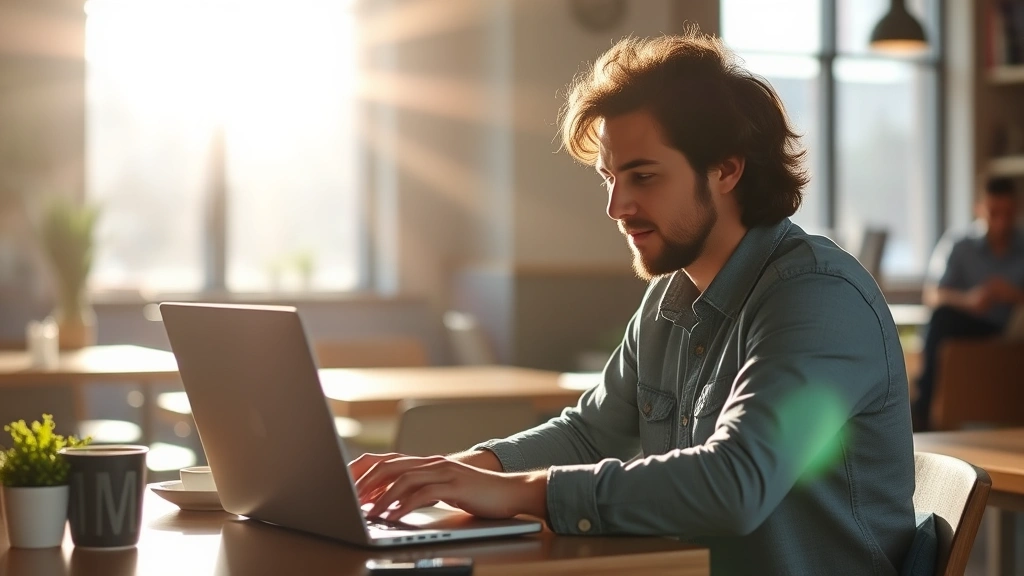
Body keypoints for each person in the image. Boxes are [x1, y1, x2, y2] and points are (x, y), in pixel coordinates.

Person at [351, 29, 917, 575]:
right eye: (608, 178)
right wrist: (459, 470)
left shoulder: (817, 297)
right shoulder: (669, 297)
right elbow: (589, 433)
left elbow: (736, 483)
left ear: (726, 168)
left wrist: (516, 491)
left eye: (642, 176)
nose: (616, 206)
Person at [913, 176, 1024, 431]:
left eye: (1008, 213)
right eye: (994, 213)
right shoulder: (960, 245)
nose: (1001, 222)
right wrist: (970, 300)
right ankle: (923, 411)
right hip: (968, 322)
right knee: (941, 318)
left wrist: (1014, 294)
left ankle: (921, 410)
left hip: (1009, 330)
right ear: (979, 208)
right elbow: (933, 295)